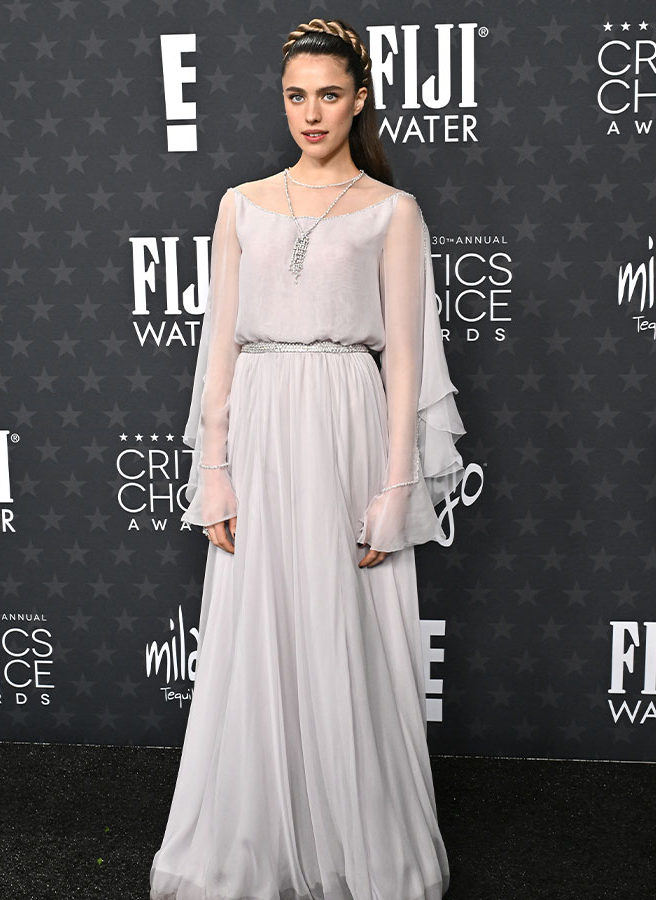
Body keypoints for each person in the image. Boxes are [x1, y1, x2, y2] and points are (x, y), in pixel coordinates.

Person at [149, 16, 466, 900]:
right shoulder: (241, 204)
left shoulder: (391, 212)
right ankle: (252, 847)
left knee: (351, 631)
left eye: (330, 95)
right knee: (260, 630)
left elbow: (405, 359)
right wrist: (212, 469)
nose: (312, 113)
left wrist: (396, 486)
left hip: (347, 422)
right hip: (259, 418)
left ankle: (360, 850)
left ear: (359, 100)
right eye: (297, 95)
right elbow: (219, 347)